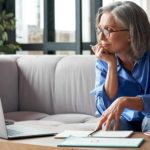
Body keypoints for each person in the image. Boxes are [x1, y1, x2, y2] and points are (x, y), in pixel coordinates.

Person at [91, 1, 150, 132]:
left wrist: (126, 101)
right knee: (110, 123)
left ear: (131, 34)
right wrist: (111, 65)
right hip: (125, 119)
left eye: (108, 30)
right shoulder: (104, 60)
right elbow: (104, 108)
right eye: (99, 29)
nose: (101, 37)